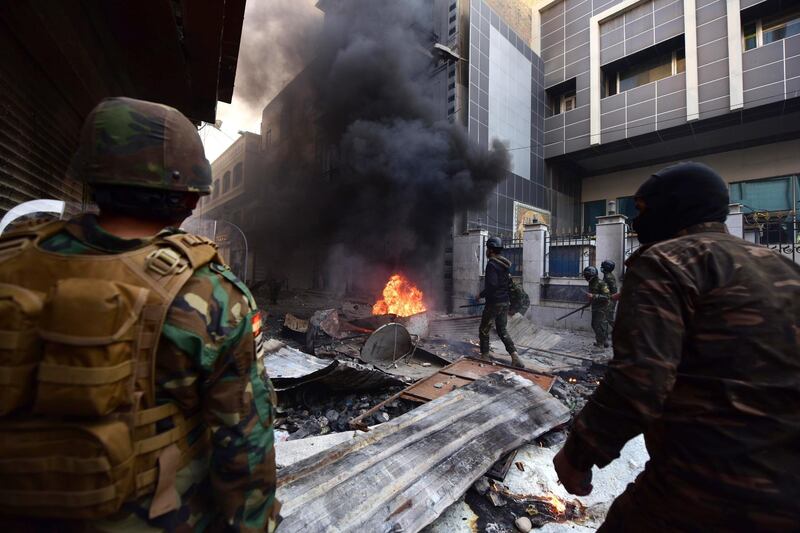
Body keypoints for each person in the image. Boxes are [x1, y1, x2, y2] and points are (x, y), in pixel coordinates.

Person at [0, 97, 280, 531]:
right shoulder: (211, 293)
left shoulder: (11, 261)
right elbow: (244, 447)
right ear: (187, 199)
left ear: (91, 180)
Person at [553, 162, 800, 531]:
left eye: (642, 209)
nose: (638, 222)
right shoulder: (784, 267)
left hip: (708, 483)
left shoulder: (667, 261)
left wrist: (578, 453)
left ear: (676, 207)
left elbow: (641, 378)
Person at [478, 236, 523, 368]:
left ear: (491, 250)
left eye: (487, 249)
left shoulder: (492, 264)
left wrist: (480, 295)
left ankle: (485, 356)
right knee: (502, 330)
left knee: (484, 329)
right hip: (505, 302)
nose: (486, 251)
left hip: (494, 302)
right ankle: (514, 356)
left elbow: (492, 285)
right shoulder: (504, 265)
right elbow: (507, 284)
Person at [583, 266, 610, 348]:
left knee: (598, 325)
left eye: (587, 275)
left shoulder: (601, 283)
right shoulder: (591, 283)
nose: (586, 277)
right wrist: (588, 303)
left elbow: (607, 296)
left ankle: (600, 344)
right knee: (596, 324)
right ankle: (604, 341)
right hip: (595, 306)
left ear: (592, 275)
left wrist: (594, 296)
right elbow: (592, 296)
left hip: (602, 307)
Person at [600, 259, 617, 330]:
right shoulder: (606, 275)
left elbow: (614, 290)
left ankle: (621, 332)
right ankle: (604, 337)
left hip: (610, 300)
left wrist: (609, 298)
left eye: (603, 266)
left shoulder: (609, 277)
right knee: (605, 319)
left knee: (609, 318)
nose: (601, 267)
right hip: (607, 299)